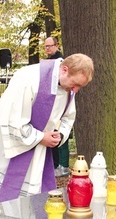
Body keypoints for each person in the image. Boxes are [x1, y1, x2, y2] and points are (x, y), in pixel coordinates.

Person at [0, 53, 94, 210]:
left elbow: (68, 118)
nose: (76, 90)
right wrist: (41, 137)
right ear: (64, 69)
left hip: (36, 153)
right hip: (4, 149)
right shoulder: (29, 78)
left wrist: (59, 135)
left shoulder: (68, 88)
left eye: (80, 87)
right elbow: (13, 121)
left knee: (23, 206)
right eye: (75, 84)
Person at [44, 37, 70, 176]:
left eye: (50, 46)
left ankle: (63, 165)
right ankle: (54, 164)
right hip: (50, 102)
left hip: (60, 102)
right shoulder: (47, 61)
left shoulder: (61, 62)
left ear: (56, 45)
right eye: (46, 46)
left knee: (61, 132)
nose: (47, 49)